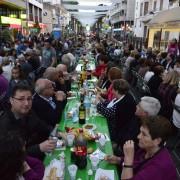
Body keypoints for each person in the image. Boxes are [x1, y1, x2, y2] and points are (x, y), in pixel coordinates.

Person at [105, 116, 177, 180]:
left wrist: (128, 159)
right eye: (140, 132)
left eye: (144, 134)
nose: (138, 136)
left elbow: (130, 163)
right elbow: (136, 162)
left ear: (157, 141)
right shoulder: (147, 148)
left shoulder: (159, 167)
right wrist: (118, 160)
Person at [0, 83, 56, 160]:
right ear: (11, 100)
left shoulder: (29, 112)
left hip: (40, 156)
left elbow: (43, 126)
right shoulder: (5, 125)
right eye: (21, 99)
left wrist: (57, 132)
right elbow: (11, 156)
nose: (26, 103)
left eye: (29, 99)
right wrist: (39, 148)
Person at [97, 79, 138, 148]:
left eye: (112, 89)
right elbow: (110, 104)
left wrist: (98, 103)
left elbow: (106, 113)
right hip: (117, 124)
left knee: (98, 128)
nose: (111, 91)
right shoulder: (123, 96)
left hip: (117, 129)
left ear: (116, 91)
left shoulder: (123, 103)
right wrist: (101, 100)